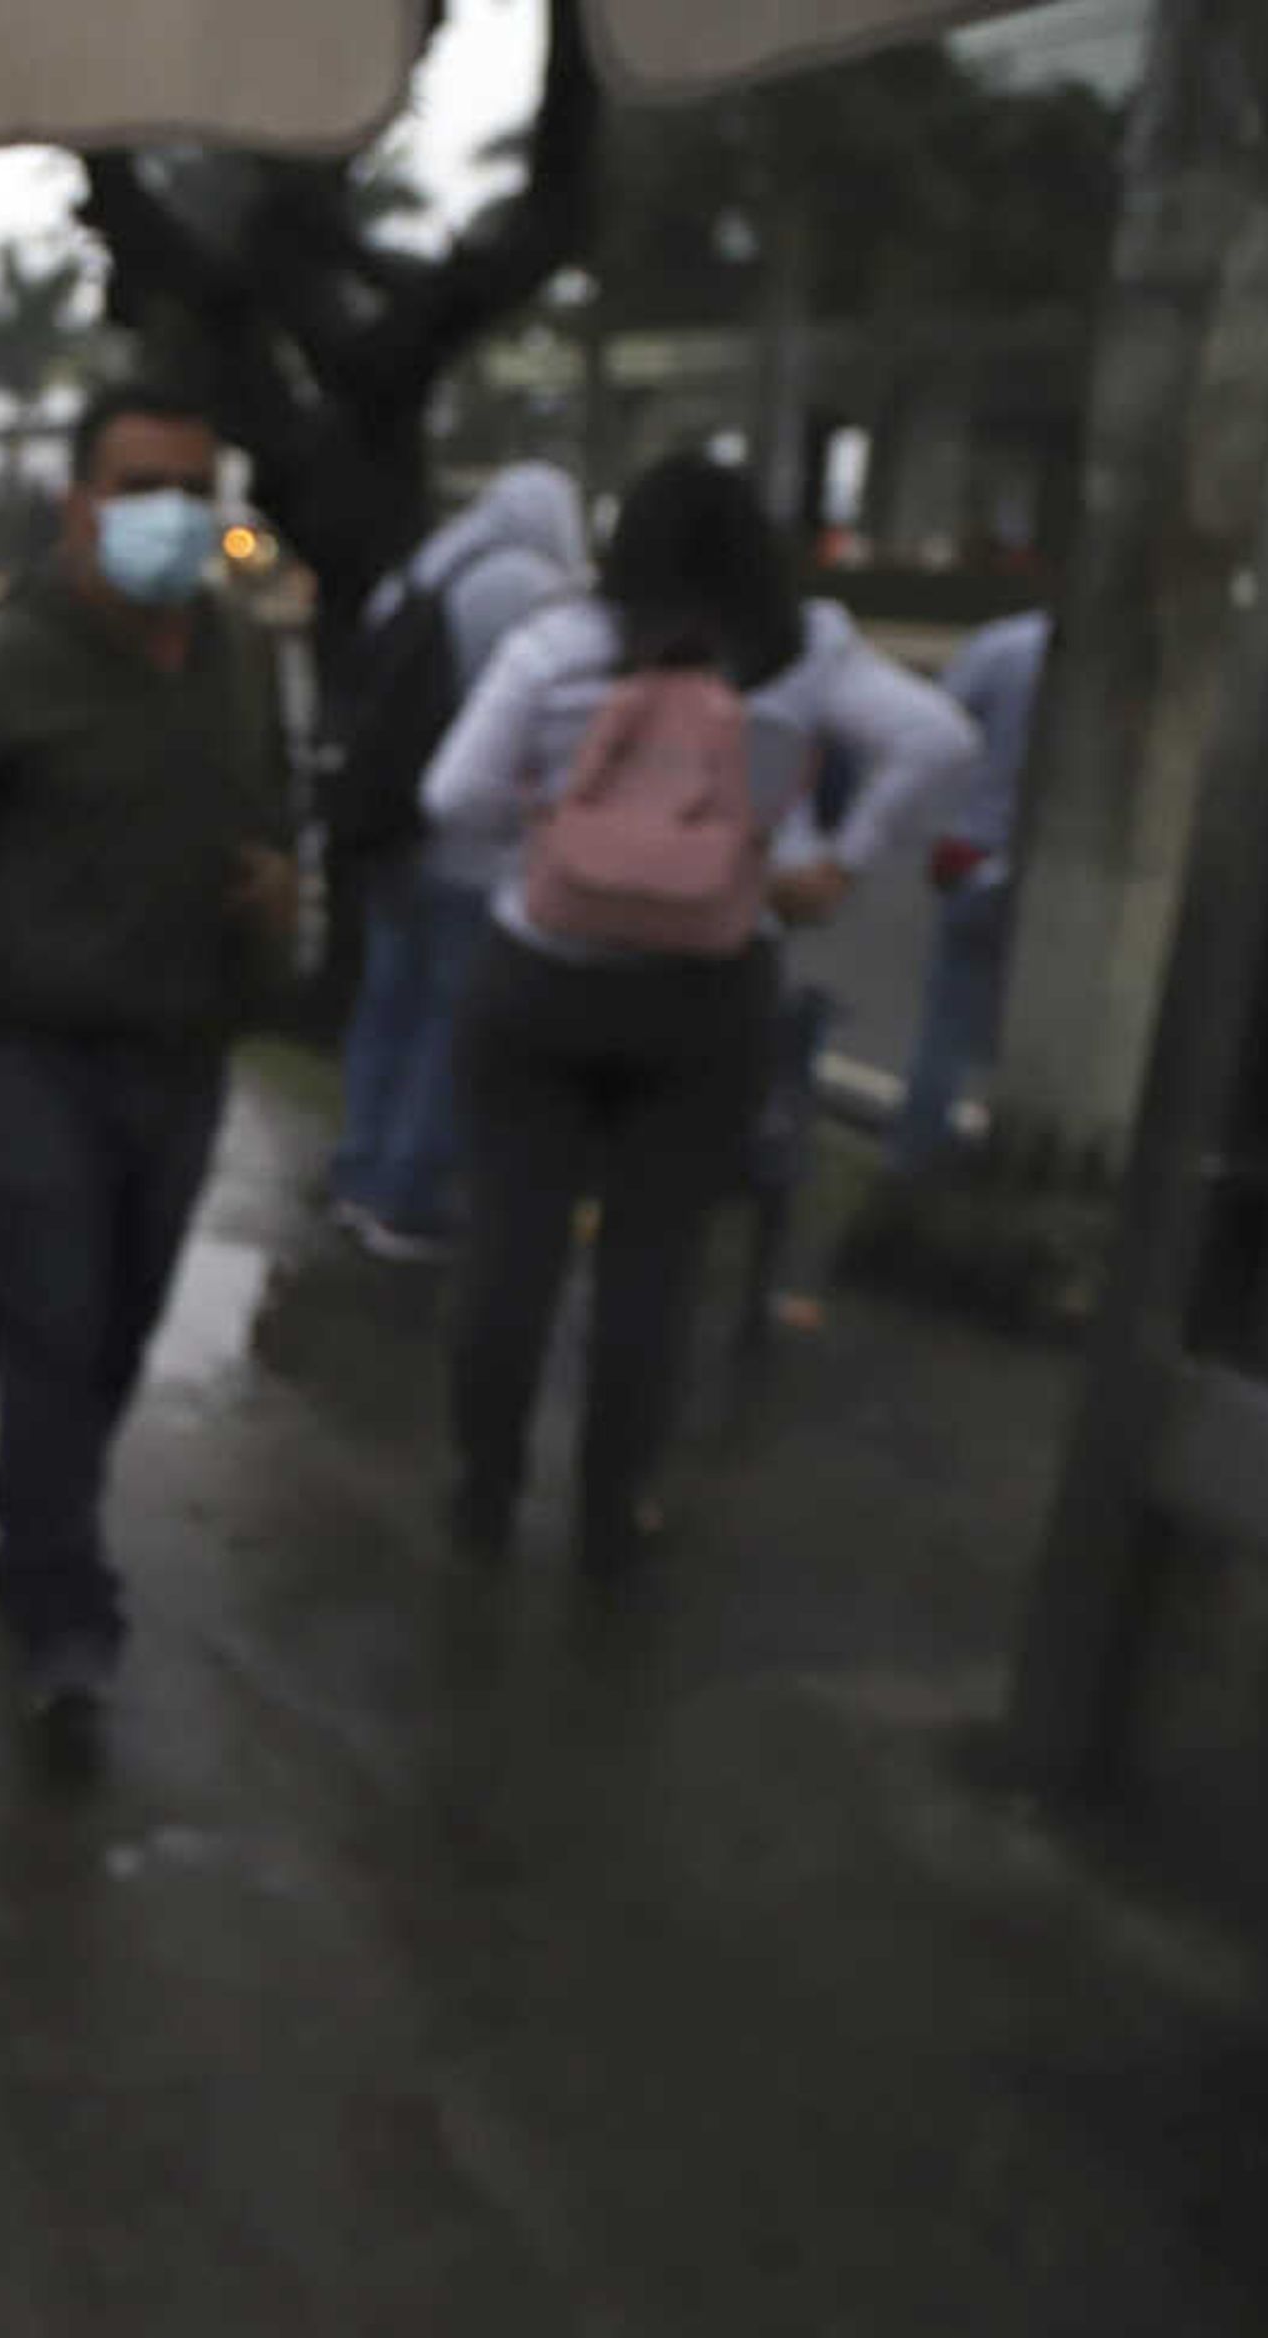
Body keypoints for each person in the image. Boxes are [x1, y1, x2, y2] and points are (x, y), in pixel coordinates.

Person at [423, 454, 975, 1575]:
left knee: (512, 1247)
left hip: (541, 978)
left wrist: (554, 831)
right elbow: (939, 740)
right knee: (654, 1263)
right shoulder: (802, 649)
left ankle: (484, 1491)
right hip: (708, 995)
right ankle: (613, 1510)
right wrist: (836, 862)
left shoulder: (561, 643)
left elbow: (452, 795)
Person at [0, 383, 298, 1738]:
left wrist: (282, 911)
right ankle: (67, 1606)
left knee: (118, 1327)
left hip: (186, 1048)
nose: (174, 512)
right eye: (144, 483)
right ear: (84, 500)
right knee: (46, 1315)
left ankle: (33, 1515)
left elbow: (272, 816)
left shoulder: (236, 655)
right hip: (34, 1048)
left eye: (195, 484)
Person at [325, 461, 589, 1261]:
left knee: (386, 1005)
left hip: (389, 827)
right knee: (451, 1025)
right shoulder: (533, 590)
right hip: (474, 845)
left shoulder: (425, 569)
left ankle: (358, 1171)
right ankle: (409, 1197)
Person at [891, 607, 1051, 1172]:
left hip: (978, 851)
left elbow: (937, 731)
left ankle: (917, 1164)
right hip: (1059, 875)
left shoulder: (1007, 646)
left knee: (947, 1029)